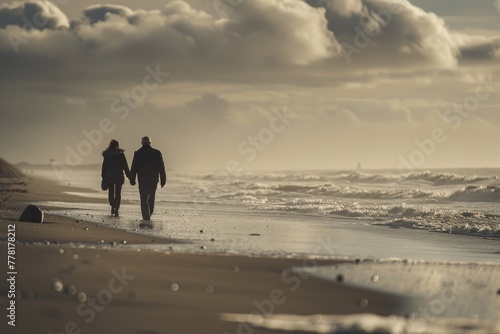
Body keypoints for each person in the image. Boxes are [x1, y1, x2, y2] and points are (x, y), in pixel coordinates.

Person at [130, 136, 167, 221]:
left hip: (142, 179)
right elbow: (161, 167)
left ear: (142, 143)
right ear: (150, 142)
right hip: (153, 179)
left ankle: (145, 216)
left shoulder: (138, 153)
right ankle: (149, 214)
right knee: (151, 198)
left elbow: (134, 167)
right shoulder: (157, 153)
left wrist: (132, 179)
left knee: (143, 198)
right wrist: (163, 179)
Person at [101, 139, 130, 217]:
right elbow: (125, 166)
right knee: (118, 193)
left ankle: (112, 205)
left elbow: (104, 166)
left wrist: (103, 176)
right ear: (117, 145)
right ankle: (116, 208)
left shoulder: (107, 155)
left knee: (111, 192)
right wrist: (129, 175)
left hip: (110, 176)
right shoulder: (120, 154)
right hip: (119, 176)